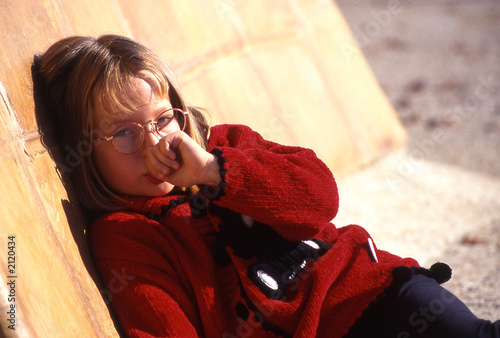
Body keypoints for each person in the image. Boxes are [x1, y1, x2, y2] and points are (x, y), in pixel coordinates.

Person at [34, 34, 499, 338]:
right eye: (125, 134)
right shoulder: (125, 236)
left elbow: (319, 197)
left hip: (370, 293)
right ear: (83, 151)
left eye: (161, 119)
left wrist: (214, 173)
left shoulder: (228, 145)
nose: (155, 142)